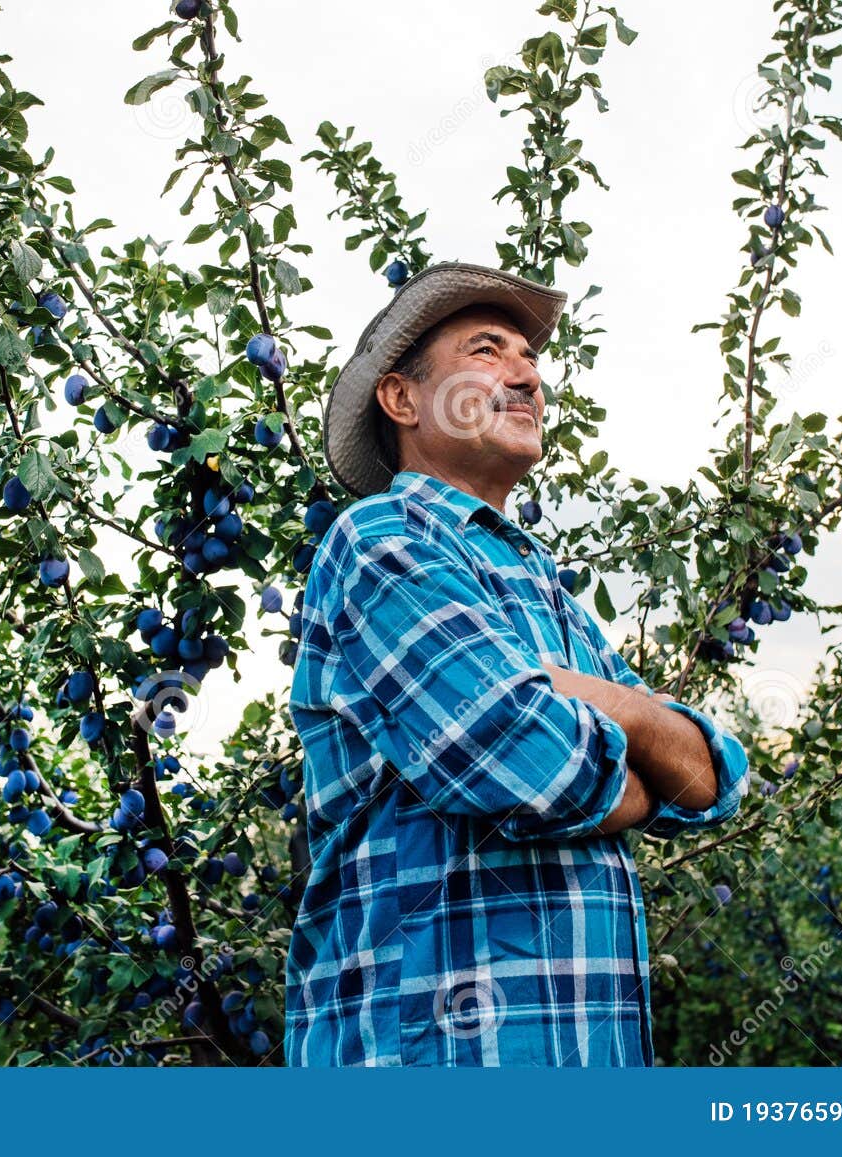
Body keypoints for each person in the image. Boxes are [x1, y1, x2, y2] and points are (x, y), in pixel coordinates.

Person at [285, 262, 750, 1066]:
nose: (528, 374)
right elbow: (531, 761)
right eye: (488, 350)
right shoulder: (382, 541)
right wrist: (630, 734)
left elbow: (712, 779)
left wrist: (602, 704)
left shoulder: (549, 591)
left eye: (531, 359)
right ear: (401, 399)